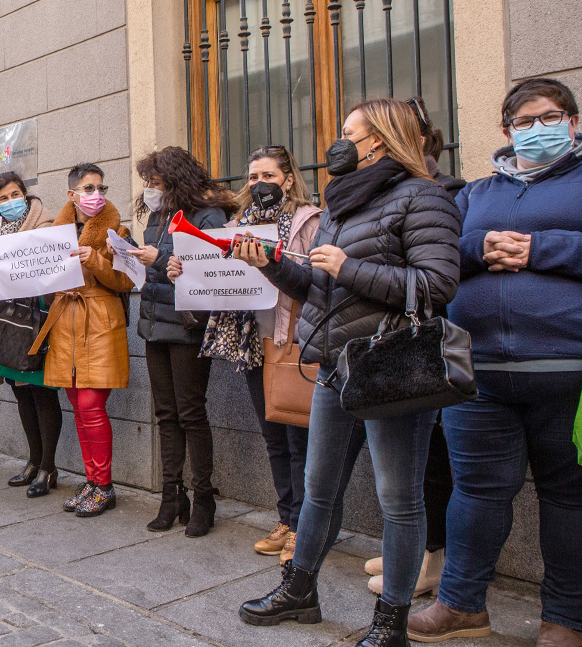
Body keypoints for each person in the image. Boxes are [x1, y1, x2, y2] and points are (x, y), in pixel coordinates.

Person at [234, 99, 461, 647]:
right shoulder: (340, 201)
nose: (336, 142)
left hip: (393, 368)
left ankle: (391, 622)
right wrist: (271, 264)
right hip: (336, 365)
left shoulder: (425, 195)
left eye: (346, 132)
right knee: (318, 489)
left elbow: (437, 285)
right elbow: (321, 289)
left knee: (398, 502)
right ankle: (299, 591)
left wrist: (349, 266)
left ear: (377, 139)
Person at [408, 79, 582, 646]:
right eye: (524, 121)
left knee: (568, 496)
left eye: (550, 117)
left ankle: (565, 618)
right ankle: (461, 605)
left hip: (567, 370)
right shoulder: (475, 194)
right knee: (477, 491)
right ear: (507, 130)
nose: (537, 128)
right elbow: (437, 255)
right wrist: (478, 248)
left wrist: (540, 249)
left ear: (572, 122)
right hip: (476, 372)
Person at [172, 145, 321, 553]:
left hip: (291, 342)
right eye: (253, 177)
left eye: (268, 176)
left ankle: (304, 528)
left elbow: (314, 280)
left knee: (299, 441)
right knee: (274, 438)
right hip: (253, 343)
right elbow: (214, 275)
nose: (259, 184)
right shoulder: (236, 225)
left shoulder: (309, 221)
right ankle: (286, 519)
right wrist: (183, 271)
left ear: (288, 179)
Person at [363, 99, 465, 596]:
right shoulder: (386, 196)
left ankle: (432, 557)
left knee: (434, 461)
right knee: (410, 469)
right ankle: (413, 547)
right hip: (398, 341)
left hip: (430, 343)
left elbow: (442, 274)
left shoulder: (446, 193)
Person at [131, 147, 234, 537]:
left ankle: (203, 497)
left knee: (191, 413)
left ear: (175, 181)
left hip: (188, 326)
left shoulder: (208, 215)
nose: (150, 189)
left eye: (156, 182)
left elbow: (212, 268)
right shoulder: (157, 215)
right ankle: (172, 496)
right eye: (148, 182)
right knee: (165, 414)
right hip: (154, 324)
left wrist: (158, 259)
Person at [28, 163, 133, 518]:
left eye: (101, 188)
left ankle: (104, 486)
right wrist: (7, 270)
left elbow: (126, 281)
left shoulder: (118, 230)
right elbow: (38, 277)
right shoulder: (52, 235)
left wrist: (98, 261)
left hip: (99, 322)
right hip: (65, 324)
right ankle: (92, 482)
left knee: (91, 406)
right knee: (78, 406)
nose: (96, 195)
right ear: (71, 194)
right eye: (89, 189)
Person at [0, 171, 62, 497]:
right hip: (9, 319)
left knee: (43, 393)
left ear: (25, 194)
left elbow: (54, 272)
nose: (10, 201)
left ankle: (48, 467)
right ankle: (33, 461)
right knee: (21, 393)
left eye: (15, 194)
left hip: (39, 319)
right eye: (3, 198)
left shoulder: (46, 225)